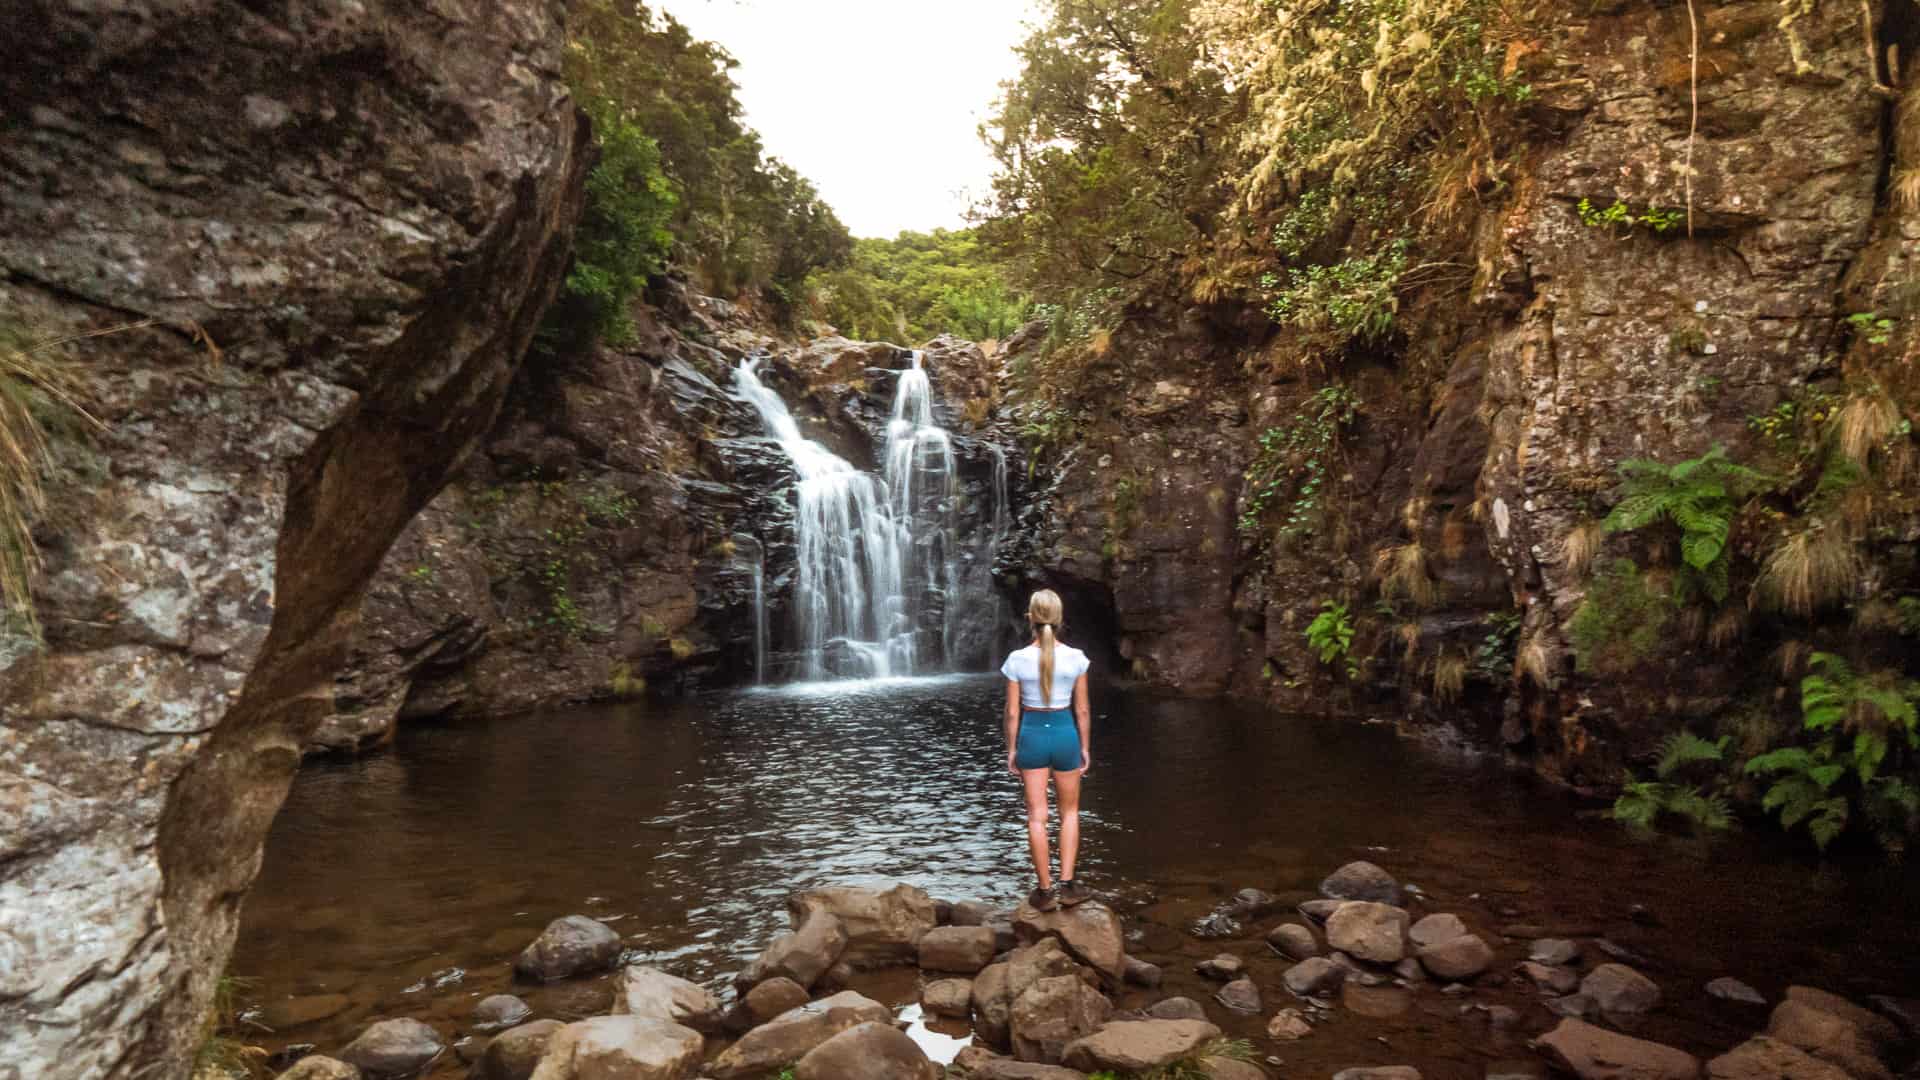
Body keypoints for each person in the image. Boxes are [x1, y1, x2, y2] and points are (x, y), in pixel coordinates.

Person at [1000, 588, 1093, 911]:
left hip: (1032, 735)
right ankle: (1068, 886)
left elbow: (1012, 713)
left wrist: (1012, 749)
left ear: (1031, 618)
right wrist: (1085, 747)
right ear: (1059, 618)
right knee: (1069, 813)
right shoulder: (1077, 658)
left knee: (1037, 818)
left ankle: (1043, 891)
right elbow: (1082, 710)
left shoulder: (1016, 660)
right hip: (1066, 733)